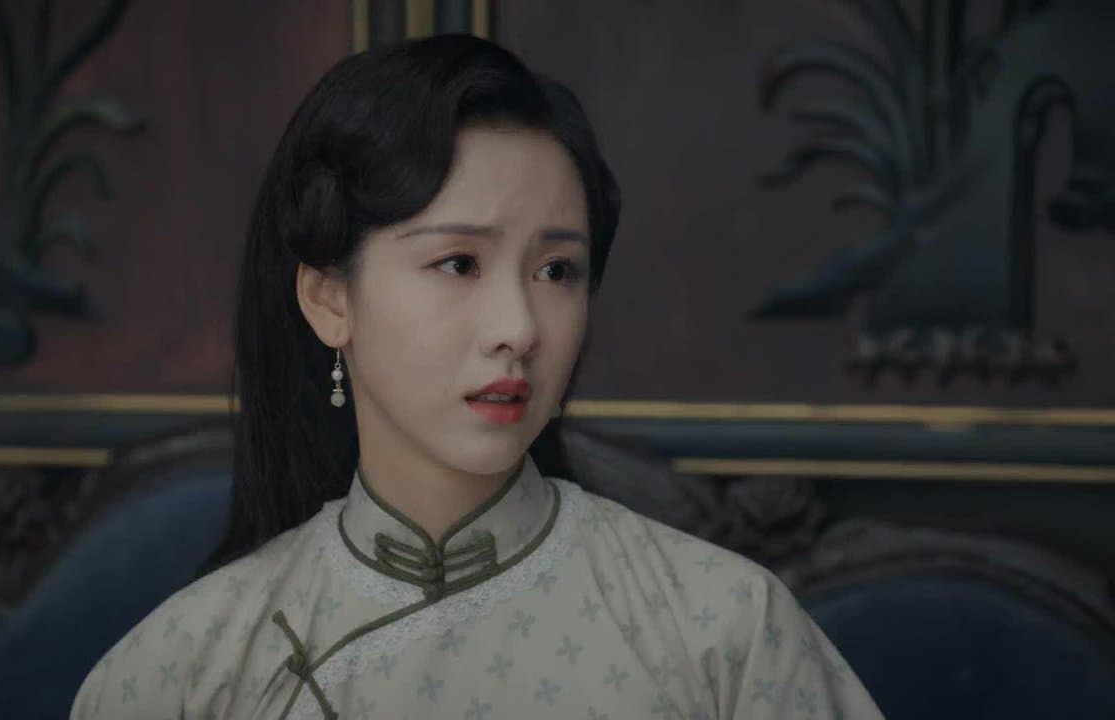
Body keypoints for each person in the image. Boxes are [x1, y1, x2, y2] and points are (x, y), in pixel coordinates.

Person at [70, 33, 885, 720]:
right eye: (459, 262)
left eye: (557, 271)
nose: (520, 329)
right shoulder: (183, 671)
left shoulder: (724, 633)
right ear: (329, 299)